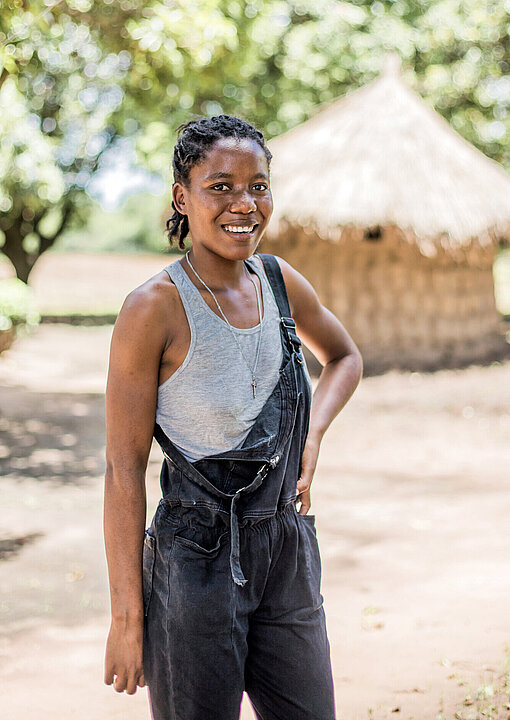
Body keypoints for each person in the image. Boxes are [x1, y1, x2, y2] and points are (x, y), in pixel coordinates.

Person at [103, 114, 363, 720]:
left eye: (259, 186)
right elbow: (122, 467)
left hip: (287, 550)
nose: (244, 204)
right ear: (182, 196)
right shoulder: (153, 309)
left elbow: (346, 357)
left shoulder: (279, 281)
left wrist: (313, 432)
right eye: (221, 186)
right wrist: (127, 618)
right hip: (195, 564)